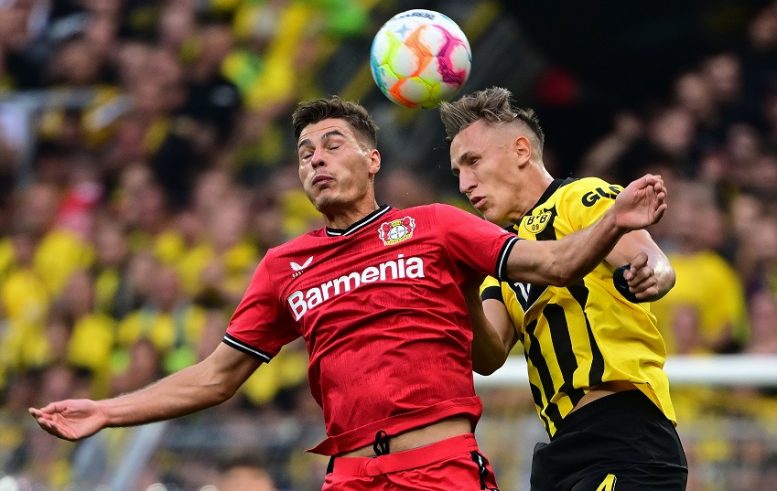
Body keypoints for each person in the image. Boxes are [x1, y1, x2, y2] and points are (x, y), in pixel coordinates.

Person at [30, 96, 668, 491]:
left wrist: (616, 224)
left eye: (333, 145)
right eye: (305, 152)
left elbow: (554, 263)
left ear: (372, 160)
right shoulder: (284, 267)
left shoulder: (438, 226)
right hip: (350, 477)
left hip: (441, 469)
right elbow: (215, 377)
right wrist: (109, 411)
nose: (316, 159)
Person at [440, 86, 687, 491]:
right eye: (457, 173)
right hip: (561, 451)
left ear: (521, 150)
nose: (465, 184)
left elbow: (654, 261)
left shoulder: (579, 198)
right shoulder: (501, 260)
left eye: (473, 162)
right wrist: (464, 288)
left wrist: (651, 274)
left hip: (624, 432)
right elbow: (488, 356)